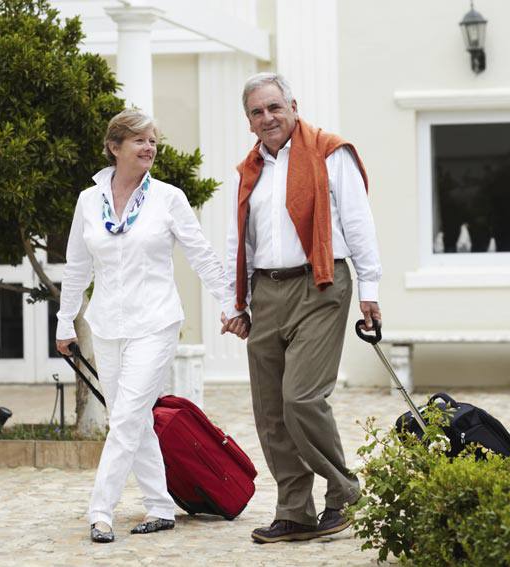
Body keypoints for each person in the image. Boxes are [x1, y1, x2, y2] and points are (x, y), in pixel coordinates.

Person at [221, 73, 382, 544]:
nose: (267, 117)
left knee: (301, 398)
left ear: (293, 105)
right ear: (249, 121)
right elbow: (240, 239)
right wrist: (237, 302)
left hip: (321, 283)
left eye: (274, 107)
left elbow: (358, 223)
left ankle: (345, 494)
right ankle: (294, 510)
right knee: (271, 409)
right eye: (257, 112)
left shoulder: (332, 153)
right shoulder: (249, 169)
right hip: (265, 291)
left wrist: (370, 292)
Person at [55, 109, 229, 543]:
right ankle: (159, 505)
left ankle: (100, 511)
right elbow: (77, 266)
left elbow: (202, 255)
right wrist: (64, 322)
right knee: (131, 417)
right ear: (115, 147)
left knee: (128, 415)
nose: (150, 147)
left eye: (153, 140)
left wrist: (230, 304)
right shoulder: (87, 201)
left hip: (155, 321)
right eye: (139, 140)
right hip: (107, 324)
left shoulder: (168, 198)